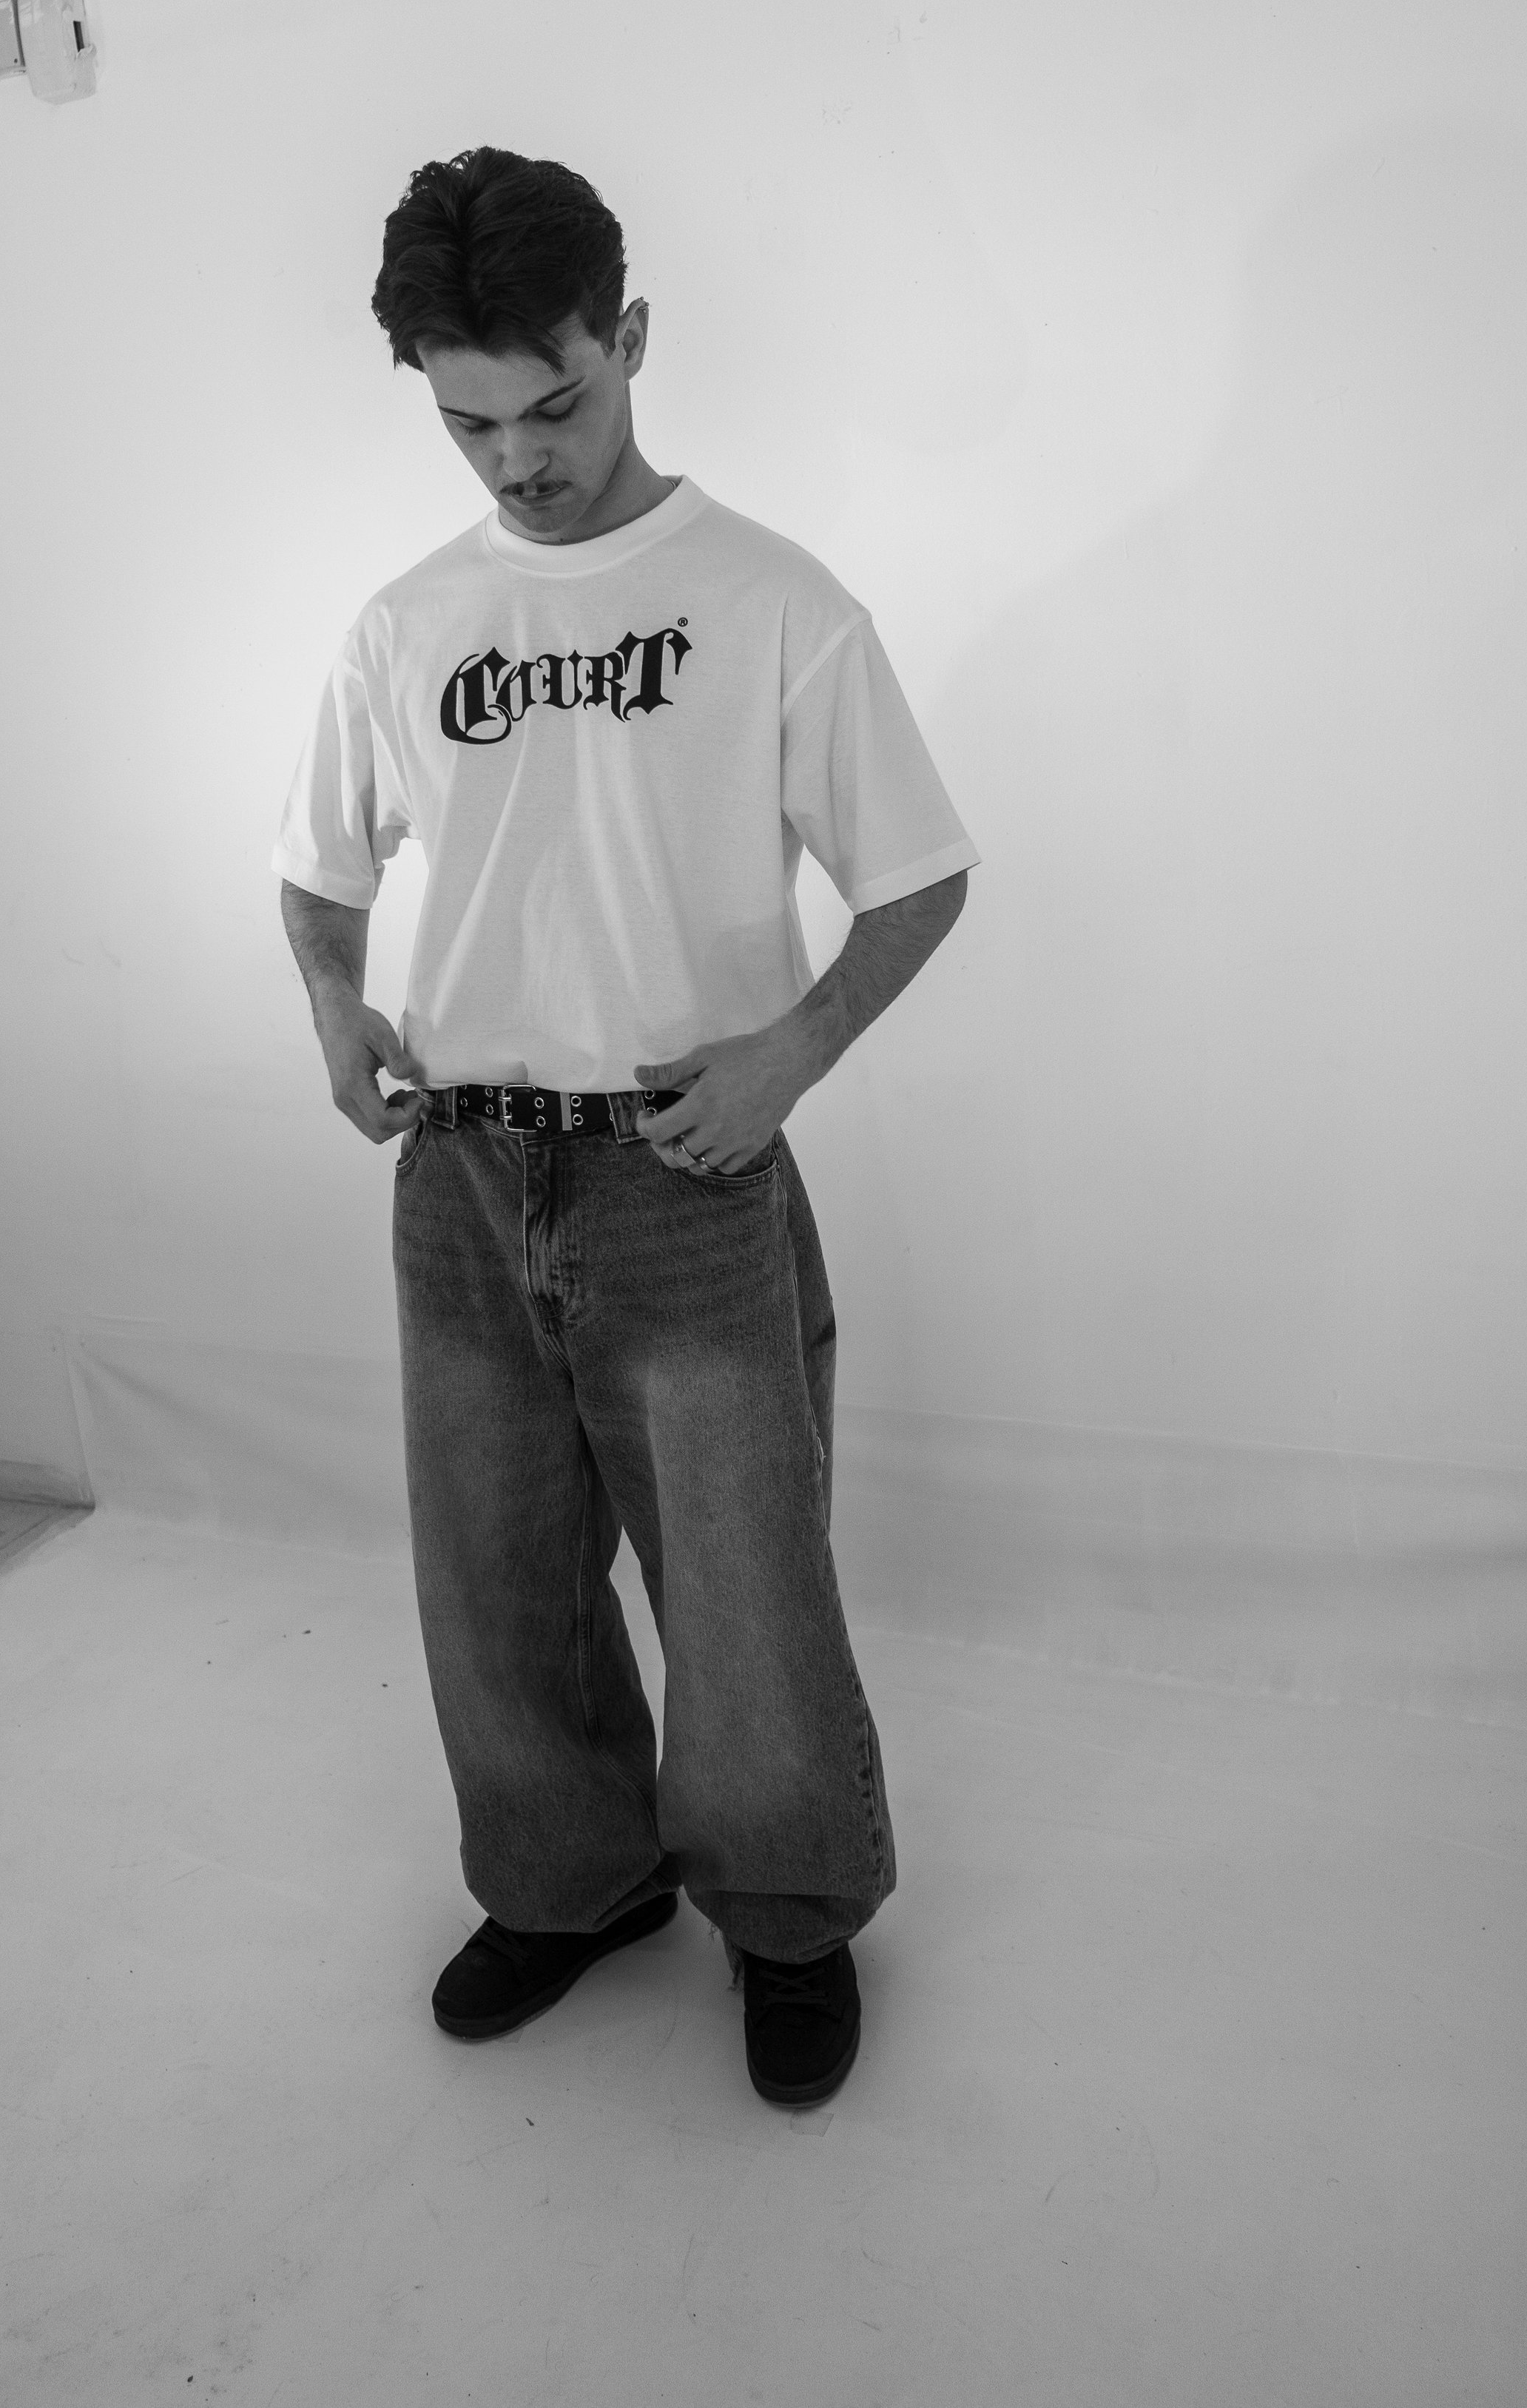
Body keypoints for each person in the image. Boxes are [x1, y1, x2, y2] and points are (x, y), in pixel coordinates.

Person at [274, 146, 977, 2106]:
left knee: (740, 1596)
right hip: (459, 1169)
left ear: (630, 338)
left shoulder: (772, 603)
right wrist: (336, 1011)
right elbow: (320, 874)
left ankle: (789, 1921)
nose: (518, 459)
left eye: (555, 403)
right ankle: (570, 1887)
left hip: (684, 1167)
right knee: (496, 1581)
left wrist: (791, 1053)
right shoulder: (405, 622)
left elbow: (918, 875)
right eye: (469, 423)